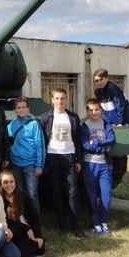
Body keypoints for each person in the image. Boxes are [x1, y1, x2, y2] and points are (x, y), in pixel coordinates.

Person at [38, 88, 84, 238]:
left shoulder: (73, 117)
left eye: (62, 98)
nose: (60, 101)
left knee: (72, 192)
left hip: (69, 156)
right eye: (57, 98)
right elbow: (42, 141)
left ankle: (76, 226)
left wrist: (78, 159)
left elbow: (77, 140)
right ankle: (62, 225)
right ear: (52, 100)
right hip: (53, 157)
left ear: (66, 99)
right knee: (57, 192)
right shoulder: (45, 118)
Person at [80, 98, 116, 236]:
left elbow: (112, 140)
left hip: (104, 165)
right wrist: (103, 147)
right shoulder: (85, 126)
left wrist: (96, 142)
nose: (94, 112)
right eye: (91, 110)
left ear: (101, 110)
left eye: (97, 110)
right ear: (87, 111)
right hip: (90, 165)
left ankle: (104, 221)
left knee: (106, 194)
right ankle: (95, 223)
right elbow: (85, 145)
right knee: (92, 195)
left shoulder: (106, 125)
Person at [7, 96, 45, 224]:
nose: (21, 109)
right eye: (18, 107)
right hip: (16, 163)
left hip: (31, 164)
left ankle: (35, 222)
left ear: (28, 109)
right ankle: (23, 223)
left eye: (24, 107)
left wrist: (39, 165)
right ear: (14, 110)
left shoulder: (34, 124)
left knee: (32, 194)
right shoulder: (12, 125)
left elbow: (39, 144)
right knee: (19, 194)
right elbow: (6, 140)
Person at [92, 68, 129, 188]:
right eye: (96, 81)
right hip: (110, 123)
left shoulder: (113, 89)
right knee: (111, 148)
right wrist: (108, 123)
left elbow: (120, 106)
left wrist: (120, 122)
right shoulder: (98, 92)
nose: (99, 82)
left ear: (106, 78)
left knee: (121, 150)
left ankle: (119, 175)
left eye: (100, 80)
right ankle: (112, 176)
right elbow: (103, 110)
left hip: (123, 121)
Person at [0, 169, 45, 257]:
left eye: (11, 181)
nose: (9, 185)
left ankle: (38, 243)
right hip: (11, 230)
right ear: (0, 184)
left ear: (15, 182)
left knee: (27, 250)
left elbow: (34, 217)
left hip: (26, 231)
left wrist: (36, 235)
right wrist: (25, 228)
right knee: (23, 250)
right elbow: (5, 221)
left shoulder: (23, 196)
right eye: (5, 182)